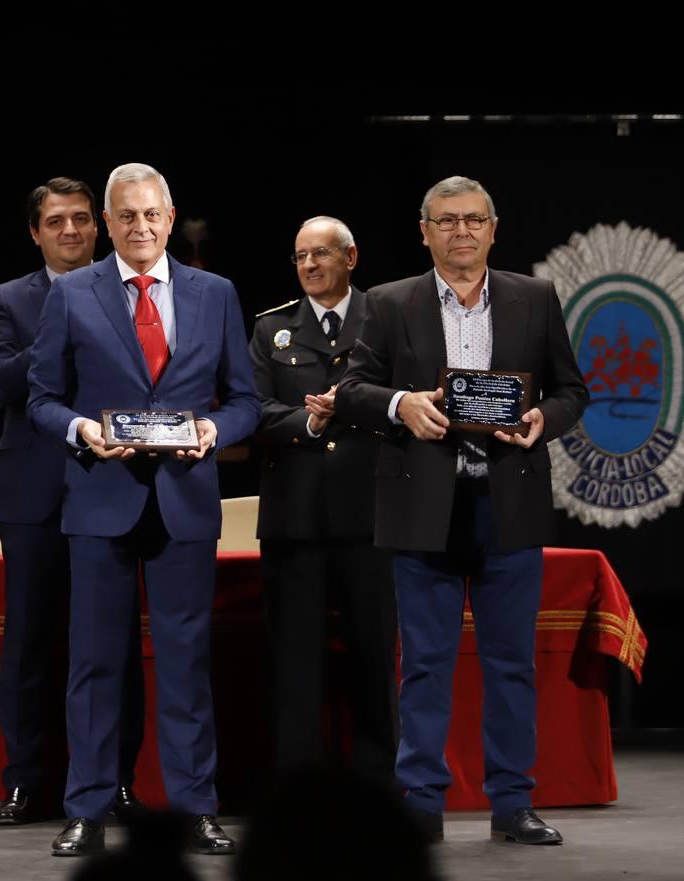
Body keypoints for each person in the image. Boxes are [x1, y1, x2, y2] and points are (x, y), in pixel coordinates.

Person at [336, 175, 589, 845]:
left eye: (474, 220)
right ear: (425, 231)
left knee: (511, 664)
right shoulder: (390, 303)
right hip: (423, 509)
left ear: (493, 229)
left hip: (507, 503)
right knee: (424, 663)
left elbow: (572, 390)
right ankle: (420, 805)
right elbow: (352, 389)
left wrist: (541, 418)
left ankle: (512, 804)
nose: (462, 232)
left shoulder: (534, 298)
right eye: (447, 221)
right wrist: (401, 404)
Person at [28, 162, 259, 856]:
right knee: (95, 664)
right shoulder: (72, 294)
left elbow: (244, 398)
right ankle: (88, 810)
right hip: (100, 499)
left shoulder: (214, 293)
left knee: (186, 663)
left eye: (151, 214)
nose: (140, 227)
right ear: (107, 222)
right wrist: (82, 431)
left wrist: (220, 430)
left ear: (168, 214)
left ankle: (194, 806)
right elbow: (42, 398)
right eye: (125, 216)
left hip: (184, 503)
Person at [0, 178, 146, 826]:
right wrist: (64, 325)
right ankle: (23, 782)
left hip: (115, 485)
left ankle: (118, 781)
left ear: (99, 225)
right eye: (56, 222)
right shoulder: (8, 299)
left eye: (81, 218)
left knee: (116, 645)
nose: (71, 230)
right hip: (33, 492)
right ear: (35, 231)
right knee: (25, 643)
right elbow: (0, 381)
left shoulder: (130, 288)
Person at [247, 215, 397, 781]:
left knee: (375, 656)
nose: (309, 265)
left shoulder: (384, 316)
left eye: (321, 255)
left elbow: (402, 397)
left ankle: (379, 788)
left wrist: (358, 405)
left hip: (372, 513)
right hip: (296, 517)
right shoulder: (271, 330)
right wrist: (306, 425)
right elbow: (252, 408)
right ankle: (297, 792)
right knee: (294, 662)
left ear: (350, 258)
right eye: (300, 256)